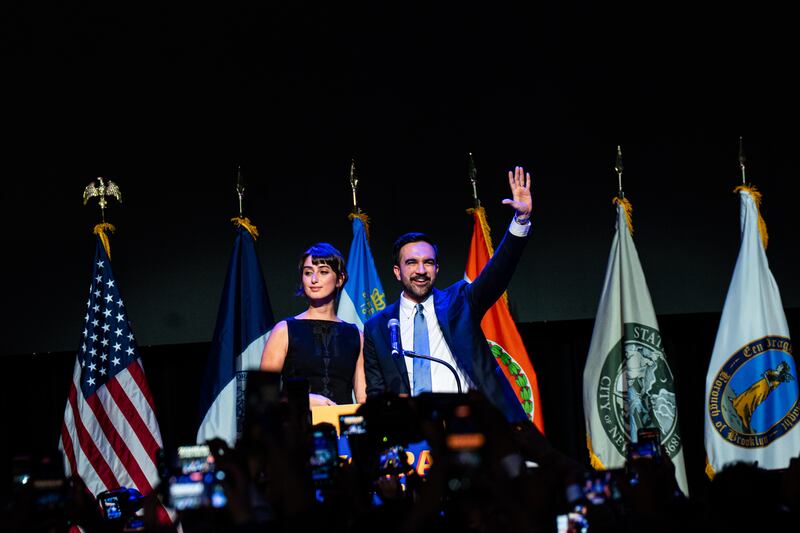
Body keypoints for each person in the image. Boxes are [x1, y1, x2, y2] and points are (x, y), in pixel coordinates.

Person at [363, 166, 533, 422]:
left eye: (428, 263)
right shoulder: (377, 328)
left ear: (437, 269)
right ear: (397, 272)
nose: (421, 270)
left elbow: (497, 273)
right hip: (415, 435)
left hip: (471, 425)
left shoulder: (461, 302)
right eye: (412, 263)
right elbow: (376, 393)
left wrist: (520, 221)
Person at [261, 243, 367, 406]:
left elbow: (362, 398)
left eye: (323, 272)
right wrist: (304, 400)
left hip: (340, 428)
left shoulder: (355, 335)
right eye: (308, 273)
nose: (314, 279)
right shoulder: (285, 330)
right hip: (297, 426)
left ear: (340, 279)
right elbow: (264, 393)